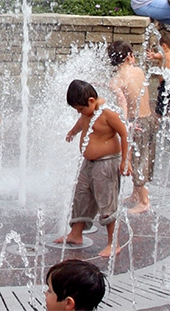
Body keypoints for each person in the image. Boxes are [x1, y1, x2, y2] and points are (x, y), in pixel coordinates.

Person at [54, 80, 131, 257]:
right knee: (81, 195)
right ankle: (75, 234)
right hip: (88, 164)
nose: (79, 113)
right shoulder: (88, 113)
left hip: (106, 163)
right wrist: (72, 133)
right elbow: (82, 124)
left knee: (106, 201)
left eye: (80, 109)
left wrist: (125, 161)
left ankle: (113, 243)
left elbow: (124, 133)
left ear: (91, 100)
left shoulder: (107, 113)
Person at [108, 40, 155, 214]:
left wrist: (125, 125)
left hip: (136, 123)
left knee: (136, 160)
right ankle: (136, 194)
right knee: (145, 157)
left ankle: (144, 201)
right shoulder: (139, 71)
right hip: (149, 119)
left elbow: (123, 105)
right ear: (129, 57)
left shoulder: (116, 81)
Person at [147, 31, 170, 117]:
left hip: (165, 85)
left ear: (164, 46)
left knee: (160, 109)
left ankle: (158, 124)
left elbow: (157, 55)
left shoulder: (164, 54)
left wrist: (152, 55)